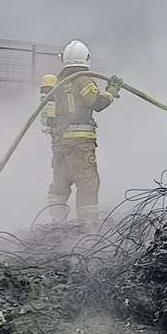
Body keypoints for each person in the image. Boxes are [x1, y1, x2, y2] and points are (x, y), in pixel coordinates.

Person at [40, 39, 121, 226]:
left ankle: (57, 224)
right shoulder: (83, 79)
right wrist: (112, 91)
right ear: (86, 58)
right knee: (87, 183)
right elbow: (96, 102)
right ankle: (88, 226)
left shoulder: (58, 82)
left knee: (60, 183)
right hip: (80, 145)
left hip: (59, 143)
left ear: (63, 59)